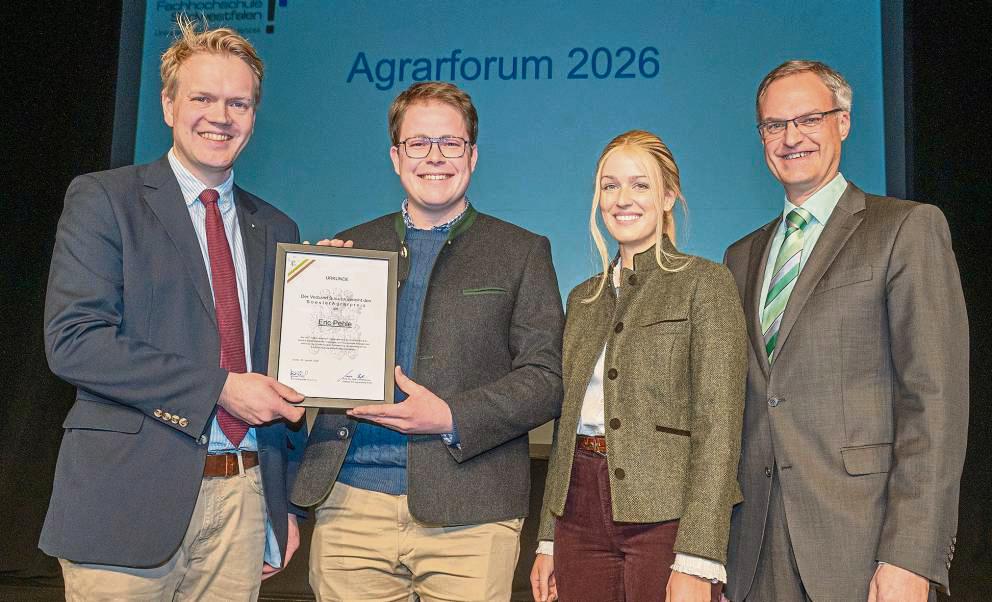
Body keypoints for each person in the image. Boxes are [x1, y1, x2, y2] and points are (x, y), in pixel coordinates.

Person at [40, 16, 307, 600]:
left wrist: (281, 503)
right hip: (125, 499)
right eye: (202, 98)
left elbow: (281, 371)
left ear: (253, 116)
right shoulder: (105, 199)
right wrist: (219, 389)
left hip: (243, 502)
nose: (220, 116)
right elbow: (76, 341)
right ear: (167, 105)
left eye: (238, 103)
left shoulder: (277, 228)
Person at [291, 81, 565, 601]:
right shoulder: (351, 247)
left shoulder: (522, 251)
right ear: (396, 156)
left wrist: (450, 417)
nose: (434, 157)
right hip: (350, 506)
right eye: (418, 143)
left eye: (450, 143)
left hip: (471, 514)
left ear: (472, 156)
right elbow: (306, 369)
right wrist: (316, 294)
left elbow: (545, 381)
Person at [723, 60, 969, 602]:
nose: (791, 138)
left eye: (808, 119)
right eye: (774, 125)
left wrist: (911, 556)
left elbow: (934, 401)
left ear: (843, 122)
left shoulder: (906, 228)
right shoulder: (740, 257)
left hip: (863, 549)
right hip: (754, 553)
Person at [530, 130, 748, 602]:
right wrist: (548, 537)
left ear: (668, 197)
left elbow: (719, 427)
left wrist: (699, 555)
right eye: (610, 186)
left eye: (640, 184)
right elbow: (567, 425)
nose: (622, 199)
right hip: (578, 512)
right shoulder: (582, 299)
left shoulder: (705, 283)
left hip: (668, 515)